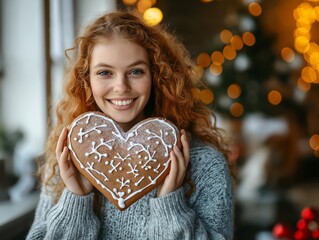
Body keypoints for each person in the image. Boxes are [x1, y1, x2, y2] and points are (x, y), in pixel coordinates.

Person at [27, 10, 234, 240]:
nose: (121, 86)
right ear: (87, 81)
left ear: (156, 76)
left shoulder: (205, 165)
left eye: (136, 71)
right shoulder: (66, 161)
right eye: (105, 72)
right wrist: (75, 201)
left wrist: (169, 204)